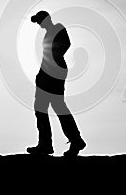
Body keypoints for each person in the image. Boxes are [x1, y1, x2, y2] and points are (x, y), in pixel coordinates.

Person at [27, 10, 86, 157]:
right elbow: (47, 55)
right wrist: (41, 73)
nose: (39, 24)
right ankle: (53, 143)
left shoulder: (58, 28)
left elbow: (66, 44)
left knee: (54, 106)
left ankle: (69, 141)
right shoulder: (48, 34)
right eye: (37, 21)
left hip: (54, 72)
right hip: (47, 73)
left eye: (39, 20)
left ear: (46, 19)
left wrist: (53, 61)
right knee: (45, 107)